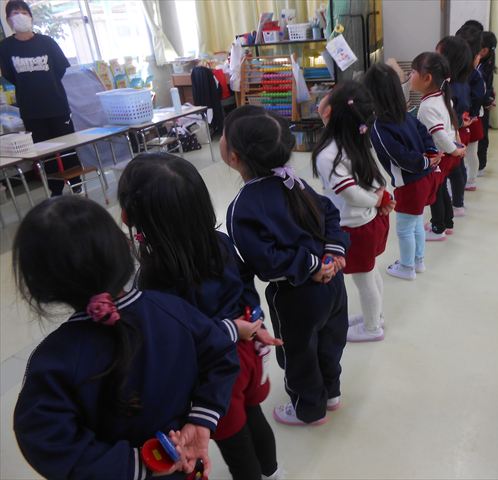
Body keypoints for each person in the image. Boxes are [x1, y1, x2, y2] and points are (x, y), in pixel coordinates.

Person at [12, 196, 240, 479]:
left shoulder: (53, 360)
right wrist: (202, 419)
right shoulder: (172, 310)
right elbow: (221, 353)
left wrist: (136, 465)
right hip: (186, 461)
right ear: (122, 249)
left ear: (40, 287)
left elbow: (44, 437)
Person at [117, 153, 283, 480]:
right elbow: (245, 284)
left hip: (215, 372)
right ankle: (272, 471)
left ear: (129, 216)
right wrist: (255, 320)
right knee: (254, 415)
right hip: (249, 349)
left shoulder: (156, 275)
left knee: (235, 444)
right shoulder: (220, 242)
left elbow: (181, 338)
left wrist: (232, 329)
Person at [223, 105, 350, 426]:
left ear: (234, 157)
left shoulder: (243, 206)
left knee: (298, 353)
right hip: (334, 283)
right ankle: (331, 393)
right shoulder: (295, 182)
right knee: (331, 340)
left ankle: (309, 409)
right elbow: (329, 211)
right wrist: (332, 253)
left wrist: (312, 265)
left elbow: (266, 263)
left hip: (297, 295)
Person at [312, 80, 392, 342]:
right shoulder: (355, 138)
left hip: (353, 226)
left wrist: (374, 201)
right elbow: (375, 179)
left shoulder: (329, 153)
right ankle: (376, 316)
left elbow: (350, 193)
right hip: (368, 222)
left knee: (363, 279)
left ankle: (372, 327)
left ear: (330, 112)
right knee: (370, 272)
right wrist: (378, 199)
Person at [363, 63, 441, 281]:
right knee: (416, 222)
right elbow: (424, 133)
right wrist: (430, 154)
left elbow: (400, 157)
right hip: (426, 178)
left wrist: (425, 161)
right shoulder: (406, 116)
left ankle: (407, 266)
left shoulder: (379, 128)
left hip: (410, 184)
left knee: (405, 228)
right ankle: (418, 260)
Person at [0, 0, 81, 195]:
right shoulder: (5, 47)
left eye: (23, 12)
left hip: (56, 104)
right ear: (9, 21)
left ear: (30, 16)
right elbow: (9, 74)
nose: (19, 16)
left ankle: (76, 183)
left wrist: (46, 84)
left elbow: (60, 69)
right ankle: (56, 188)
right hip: (31, 110)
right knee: (45, 151)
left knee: (67, 146)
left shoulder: (47, 42)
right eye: (14, 13)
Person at [411, 52, 466, 241]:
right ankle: (447, 223)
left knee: (436, 192)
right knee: (442, 189)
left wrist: (454, 150)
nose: (410, 75)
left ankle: (437, 228)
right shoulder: (442, 97)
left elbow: (439, 135)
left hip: (441, 155)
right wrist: (455, 148)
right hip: (449, 153)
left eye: (413, 72)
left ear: (427, 78)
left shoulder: (427, 107)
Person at [436, 35, 472, 219]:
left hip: (453, 134)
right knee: (457, 169)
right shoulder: (458, 83)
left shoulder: (452, 87)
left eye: (437, 55)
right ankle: (457, 203)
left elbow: (454, 112)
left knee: (451, 172)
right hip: (455, 132)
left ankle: (455, 206)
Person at [456, 24, 486, 191]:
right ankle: (466, 179)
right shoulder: (457, 73)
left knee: (470, 152)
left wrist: (472, 114)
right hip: (461, 119)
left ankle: (471, 179)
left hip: (471, 119)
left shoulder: (474, 75)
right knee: (463, 152)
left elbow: (478, 96)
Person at [477, 31, 498, 175]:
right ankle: (479, 164)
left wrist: (488, 100)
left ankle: (481, 165)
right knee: (480, 135)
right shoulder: (484, 62)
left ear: (485, 50)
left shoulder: (484, 66)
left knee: (482, 135)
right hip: (482, 103)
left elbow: (484, 89)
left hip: (482, 105)